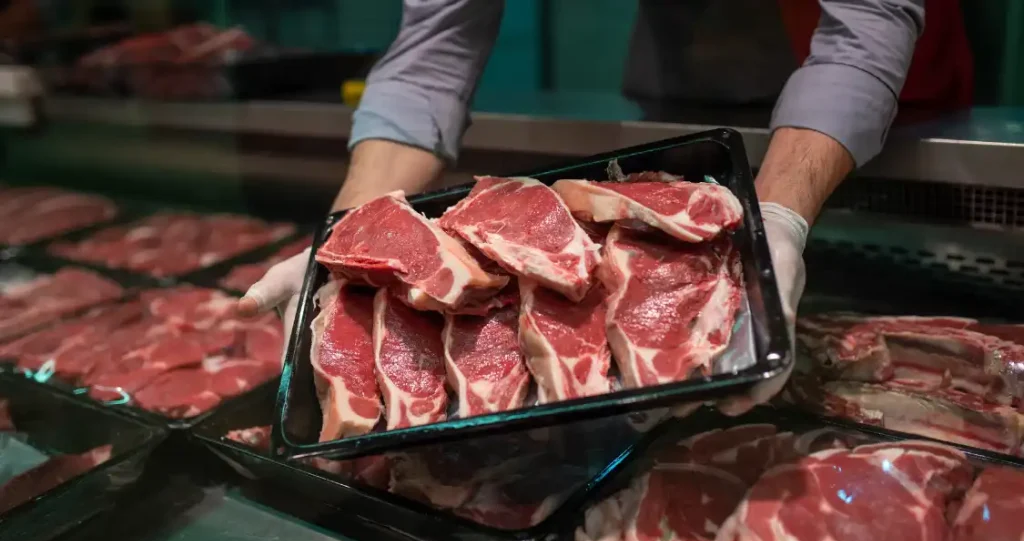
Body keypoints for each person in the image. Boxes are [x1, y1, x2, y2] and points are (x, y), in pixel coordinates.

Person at [239, 0, 945, 412]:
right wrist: (349, 236)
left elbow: (868, 25)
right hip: (685, 75)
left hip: (868, 112)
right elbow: (434, 51)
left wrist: (782, 218)